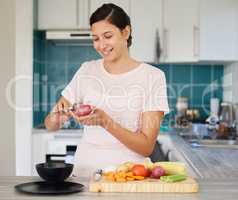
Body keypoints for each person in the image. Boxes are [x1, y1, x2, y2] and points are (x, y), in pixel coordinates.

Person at [44, 3, 169, 177]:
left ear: (126, 32)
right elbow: (50, 125)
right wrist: (58, 117)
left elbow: (146, 147)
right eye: (95, 38)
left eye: (107, 36)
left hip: (128, 176)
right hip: (85, 174)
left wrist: (105, 122)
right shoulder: (87, 70)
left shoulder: (152, 76)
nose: (101, 45)